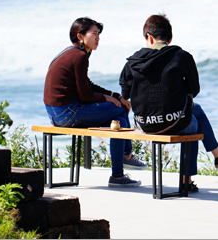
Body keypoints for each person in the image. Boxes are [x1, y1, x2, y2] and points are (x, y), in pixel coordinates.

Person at [119, 13, 218, 193]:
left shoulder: (133, 61)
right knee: (193, 116)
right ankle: (202, 168)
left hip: (144, 124)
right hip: (174, 123)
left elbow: (125, 91)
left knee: (193, 113)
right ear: (170, 38)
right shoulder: (180, 56)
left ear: (149, 37)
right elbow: (194, 89)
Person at [44, 17, 145, 188]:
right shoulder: (79, 56)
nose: (98, 38)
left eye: (99, 34)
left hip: (56, 114)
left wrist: (114, 95)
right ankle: (127, 156)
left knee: (119, 120)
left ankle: (118, 176)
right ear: (80, 36)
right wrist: (110, 99)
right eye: (94, 33)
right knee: (118, 109)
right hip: (68, 113)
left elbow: (87, 85)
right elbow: (85, 95)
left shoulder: (72, 53)